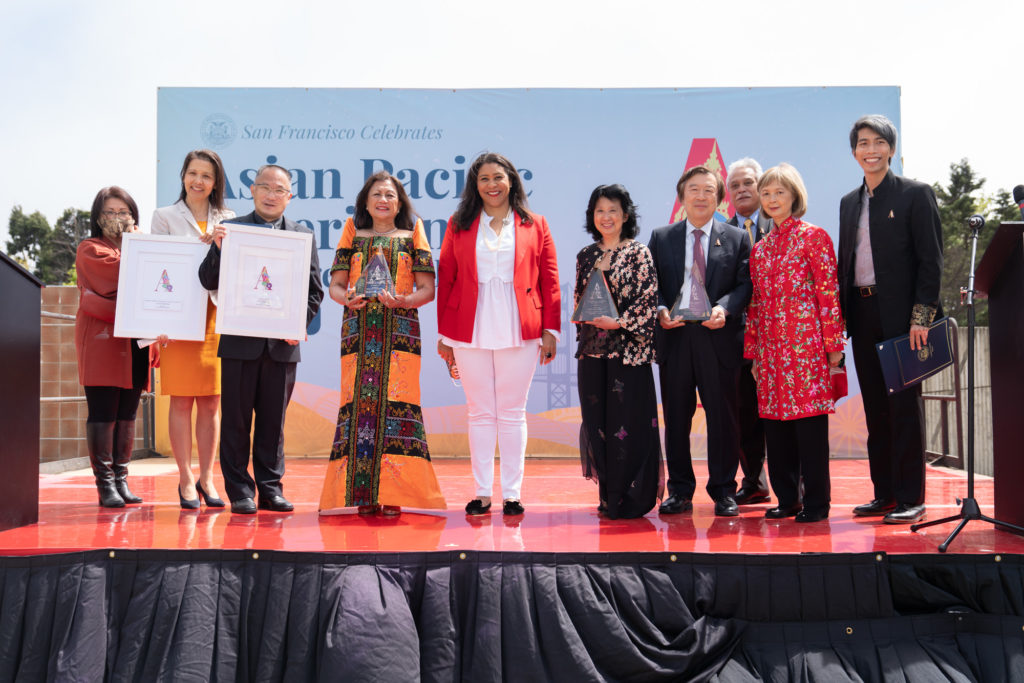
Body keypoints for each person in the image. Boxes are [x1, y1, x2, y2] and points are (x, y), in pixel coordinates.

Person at [436, 152, 561, 517]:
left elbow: (549, 280)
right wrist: (445, 334)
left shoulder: (535, 223)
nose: (492, 185)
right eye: (484, 178)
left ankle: (511, 494)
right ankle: (481, 492)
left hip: (521, 326)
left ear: (512, 181)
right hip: (468, 326)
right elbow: (448, 278)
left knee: (511, 412)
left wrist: (550, 329)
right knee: (478, 412)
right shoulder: (458, 224)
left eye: (498, 177)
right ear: (475, 186)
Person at [198, 164, 324, 514]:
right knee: (236, 421)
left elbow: (314, 292)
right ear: (252, 191)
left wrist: (296, 325)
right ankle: (240, 491)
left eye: (279, 189)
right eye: (264, 187)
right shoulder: (233, 230)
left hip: (282, 348)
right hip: (239, 344)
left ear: (290, 197)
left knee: (273, 424)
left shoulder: (302, 236)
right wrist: (220, 248)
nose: (271, 194)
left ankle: (271, 489)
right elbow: (207, 279)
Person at [319, 171, 446, 516]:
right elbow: (335, 285)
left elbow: (427, 290)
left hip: (400, 331)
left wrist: (402, 301)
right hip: (358, 331)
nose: (383, 200)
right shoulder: (352, 232)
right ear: (365, 201)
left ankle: (393, 492)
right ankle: (362, 492)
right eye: (377, 194)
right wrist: (346, 298)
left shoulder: (412, 233)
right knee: (359, 405)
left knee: (397, 406)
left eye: (391, 195)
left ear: (400, 202)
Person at [838, 114, 943, 524]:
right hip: (862, 315)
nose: (871, 150)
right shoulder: (850, 202)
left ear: (891, 149)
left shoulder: (916, 194)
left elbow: (930, 261)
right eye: (863, 143)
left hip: (903, 320)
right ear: (854, 152)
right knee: (876, 410)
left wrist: (922, 317)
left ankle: (910, 496)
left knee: (904, 409)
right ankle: (883, 493)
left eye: (879, 142)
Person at [648, 165, 751, 517]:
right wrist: (661, 308)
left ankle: (724, 490)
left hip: (719, 340)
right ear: (682, 196)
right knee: (677, 417)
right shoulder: (662, 237)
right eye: (694, 189)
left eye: (709, 189)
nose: (701, 196)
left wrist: (724, 308)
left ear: (720, 197)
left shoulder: (736, 238)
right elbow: (653, 283)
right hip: (676, 339)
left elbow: (745, 285)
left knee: (723, 416)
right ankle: (679, 490)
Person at [745, 164, 845, 523]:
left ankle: (817, 503)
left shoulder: (813, 237)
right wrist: (753, 353)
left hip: (806, 347)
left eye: (779, 193)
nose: (772, 200)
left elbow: (828, 295)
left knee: (810, 429)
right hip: (771, 351)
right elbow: (754, 305)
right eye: (767, 193)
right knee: (777, 428)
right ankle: (787, 498)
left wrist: (834, 346)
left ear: (794, 196)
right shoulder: (760, 249)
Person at [151, 149, 235, 509]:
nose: (198, 181)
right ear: (183, 175)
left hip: (217, 318)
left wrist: (220, 245)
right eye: (193, 173)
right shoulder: (164, 216)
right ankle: (185, 478)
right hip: (179, 319)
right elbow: (157, 269)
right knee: (182, 400)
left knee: (212, 402)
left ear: (216, 183)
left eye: (207, 175)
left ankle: (207, 477)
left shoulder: (230, 219)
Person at [574, 184, 662, 519]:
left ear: (625, 215)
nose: (606, 217)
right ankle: (609, 494)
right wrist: (584, 318)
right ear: (592, 217)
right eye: (599, 211)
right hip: (593, 354)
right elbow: (582, 301)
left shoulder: (639, 252)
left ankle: (632, 496)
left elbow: (648, 302)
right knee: (597, 425)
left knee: (629, 426)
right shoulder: (585, 255)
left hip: (629, 355)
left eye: (613, 210)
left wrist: (619, 322)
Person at [75, 186, 153, 507]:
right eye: (109, 212)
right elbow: (125, 275)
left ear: (134, 215)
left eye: (123, 212)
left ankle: (121, 479)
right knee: (103, 412)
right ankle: (104, 484)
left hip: (136, 340)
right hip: (102, 342)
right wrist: (141, 247)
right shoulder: (90, 248)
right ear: (97, 217)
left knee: (128, 413)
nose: (117, 218)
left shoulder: (141, 247)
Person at [726, 158, 773, 506]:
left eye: (748, 183)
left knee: (788, 415)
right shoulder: (722, 234)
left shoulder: (784, 224)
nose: (742, 190)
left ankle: (795, 485)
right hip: (739, 340)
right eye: (735, 185)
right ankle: (753, 481)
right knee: (744, 416)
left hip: (782, 338)